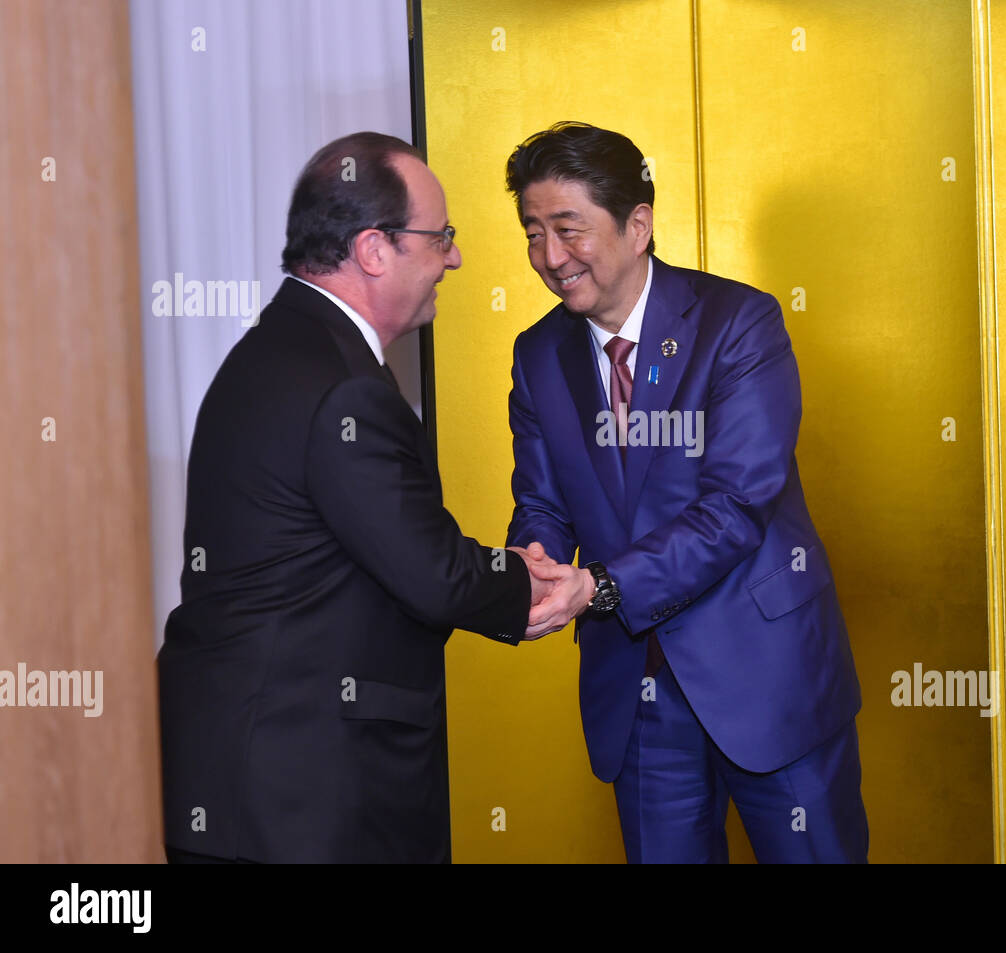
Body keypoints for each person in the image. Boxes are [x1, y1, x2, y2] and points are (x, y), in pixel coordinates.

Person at [157, 131, 571, 863]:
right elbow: (433, 574)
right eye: (440, 236)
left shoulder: (276, 349)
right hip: (304, 795)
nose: (454, 257)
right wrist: (530, 582)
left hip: (248, 780)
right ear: (375, 249)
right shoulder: (341, 382)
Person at [506, 122, 869, 863]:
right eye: (533, 233)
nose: (549, 257)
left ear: (637, 225)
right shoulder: (537, 353)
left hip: (767, 675)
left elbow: (735, 506)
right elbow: (542, 498)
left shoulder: (739, 323)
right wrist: (532, 563)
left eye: (568, 230)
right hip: (636, 695)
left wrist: (599, 585)